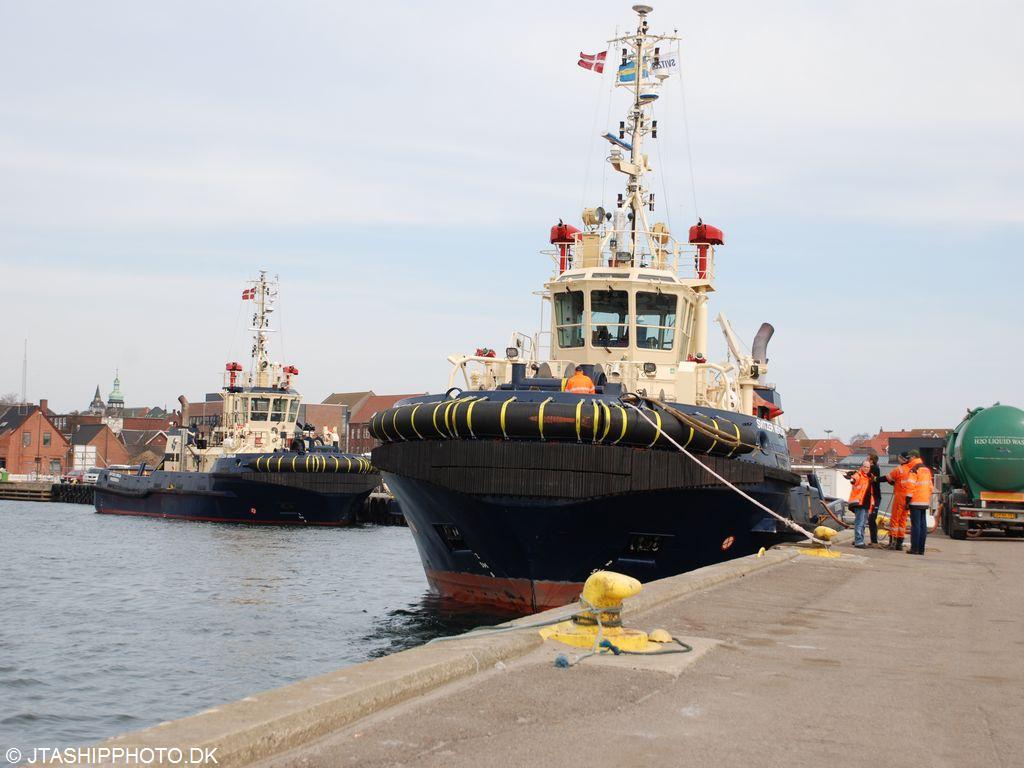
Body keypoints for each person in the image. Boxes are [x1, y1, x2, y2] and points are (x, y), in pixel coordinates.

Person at [904, 449, 934, 555]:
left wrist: (907, 500)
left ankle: (914, 548)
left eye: (909, 458)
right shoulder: (926, 469)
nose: (908, 460)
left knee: (915, 525)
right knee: (923, 525)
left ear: (913, 457)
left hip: (915, 501)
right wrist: (926, 497)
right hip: (924, 500)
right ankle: (921, 549)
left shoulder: (914, 469)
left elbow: (910, 486)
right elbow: (930, 487)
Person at [881, 451, 912, 550]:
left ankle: (893, 542)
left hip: (899, 497)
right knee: (903, 520)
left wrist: (875, 479)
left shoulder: (899, 470)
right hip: (908, 498)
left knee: (895, 519)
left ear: (901, 458)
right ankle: (899, 543)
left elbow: (887, 478)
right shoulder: (911, 470)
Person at [847, 460, 872, 548]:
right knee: (859, 523)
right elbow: (853, 480)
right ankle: (858, 541)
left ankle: (860, 540)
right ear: (861, 467)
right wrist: (851, 478)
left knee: (863, 523)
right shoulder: (858, 475)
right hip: (859, 503)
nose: (866, 468)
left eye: (868, 467)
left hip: (866, 503)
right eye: (865, 466)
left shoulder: (868, 477)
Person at [866, 452, 882, 546]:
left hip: (875, 497)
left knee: (872, 518)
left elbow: (867, 475)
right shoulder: (872, 468)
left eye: (868, 458)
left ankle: (874, 540)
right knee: (870, 519)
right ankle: (873, 540)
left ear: (871, 460)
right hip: (871, 496)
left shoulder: (874, 468)